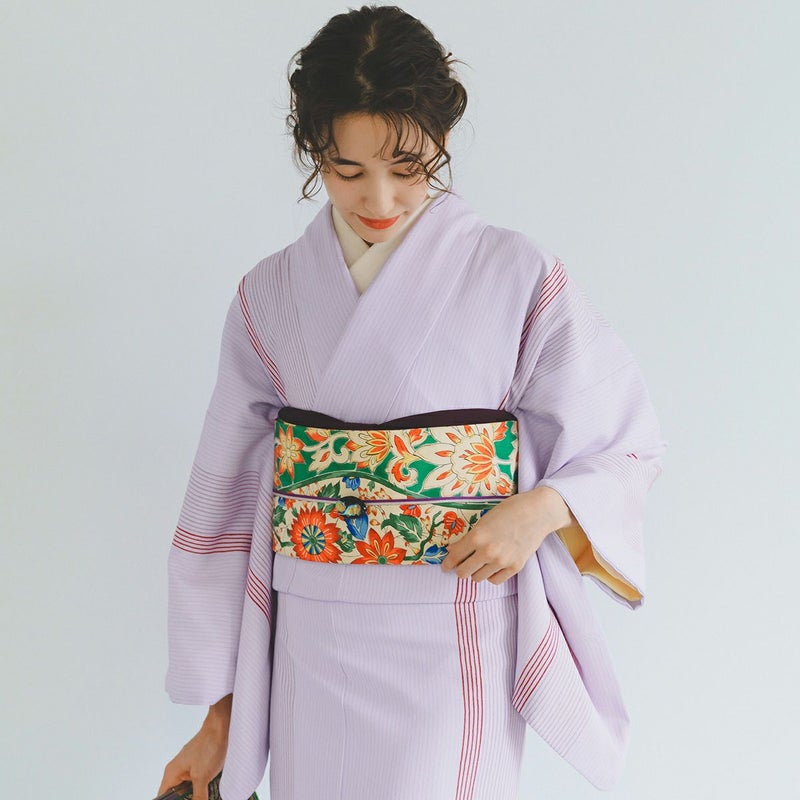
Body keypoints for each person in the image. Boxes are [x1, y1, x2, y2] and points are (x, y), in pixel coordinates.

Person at [157, 5, 666, 800]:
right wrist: (222, 718)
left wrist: (538, 512)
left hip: (455, 626)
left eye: (408, 165)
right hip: (311, 638)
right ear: (313, 150)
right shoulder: (268, 295)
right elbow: (224, 503)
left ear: (443, 137)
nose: (381, 196)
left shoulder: (517, 273)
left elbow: (627, 444)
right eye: (347, 169)